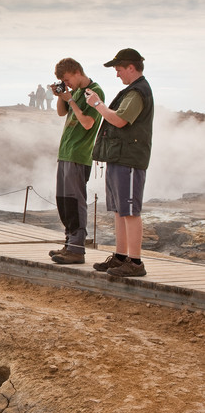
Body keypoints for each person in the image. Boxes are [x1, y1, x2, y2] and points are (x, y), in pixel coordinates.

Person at [87, 48, 154, 277]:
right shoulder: (132, 91)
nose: (117, 74)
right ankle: (121, 257)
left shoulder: (137, 92)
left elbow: (119, 120)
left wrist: (98, 104)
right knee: (119, 210)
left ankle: (135, 263)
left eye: (118, 69)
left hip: (129, 159)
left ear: (131, 67)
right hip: (120, 157)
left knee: (130, 211)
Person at [48, 58, 105, 265]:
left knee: (75, 201)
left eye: (66, 79)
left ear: (76, 71)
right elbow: (62, 112)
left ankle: (77, 249)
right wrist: (62, 97)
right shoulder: (77, 93)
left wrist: (71, 99)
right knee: (64, 201)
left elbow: (88, 123)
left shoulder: (94, 91)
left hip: (79, 154)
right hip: (66, 153)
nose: (67, 83)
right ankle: (70, 243)